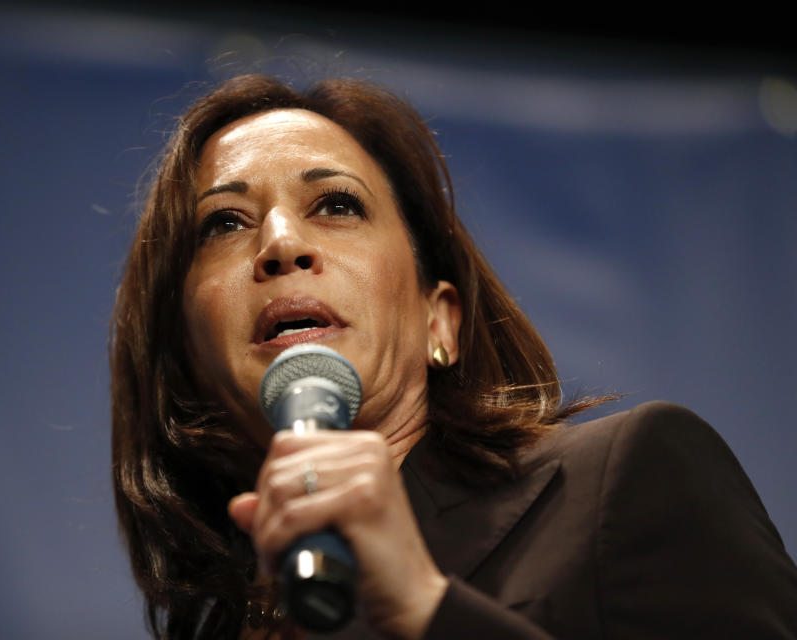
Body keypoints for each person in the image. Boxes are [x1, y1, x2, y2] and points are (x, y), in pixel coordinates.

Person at [109, 75, 797, 639]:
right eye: (224, 222)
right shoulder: (215, 626)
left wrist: (425, 607)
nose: (282, 243)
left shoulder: (623, 480)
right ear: (186, 355)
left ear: (439, 320)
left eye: (337, 205)